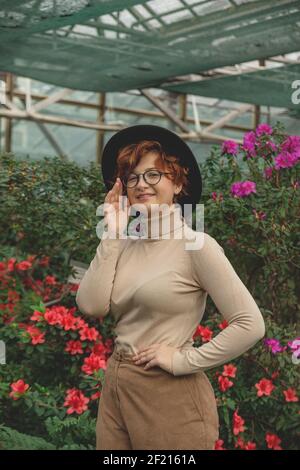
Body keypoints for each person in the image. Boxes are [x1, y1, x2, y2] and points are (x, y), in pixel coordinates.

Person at [76, 125, 265, 450]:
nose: (141, 185)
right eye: (132, 178)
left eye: (154, 175)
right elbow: (92, 306)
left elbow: (251, 324)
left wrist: (183, 361)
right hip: (117, 386)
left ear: (178, 182)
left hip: (170, 395)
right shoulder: (125, 243)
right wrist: (113, 233)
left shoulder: (196, 245)